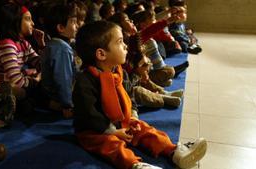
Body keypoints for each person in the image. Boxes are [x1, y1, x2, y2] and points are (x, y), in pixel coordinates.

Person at [73, 20, 207, 169]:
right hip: (95, 130)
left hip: (121, 122)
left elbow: (130, 96)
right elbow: (89, 114)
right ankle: (135, 165)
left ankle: (173, 151)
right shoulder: (85, 80)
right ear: (101, 54)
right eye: (120, 42)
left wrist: (133, 117)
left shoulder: (120, 72)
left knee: (145, 130)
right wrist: (113, 131)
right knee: (111, 145)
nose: (125, 46)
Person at [0, 3, 44, 116]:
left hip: (12, 82)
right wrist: (36, 81)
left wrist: (41, 46)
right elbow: (17, 80)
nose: (33, 23)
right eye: (28, 19)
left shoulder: (24, 43)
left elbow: (42, 65)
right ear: (15, 21)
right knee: (25, 92)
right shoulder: (7, 44)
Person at [41, 3, 78, 118]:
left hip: (52, 97)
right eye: (73, 22)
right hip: (59, 100)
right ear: (61, 28)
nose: (77, 26)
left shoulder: (54, 44)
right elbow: (63, 79)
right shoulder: (62, 48)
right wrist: (68, 105)